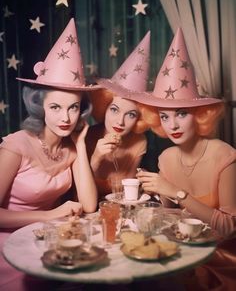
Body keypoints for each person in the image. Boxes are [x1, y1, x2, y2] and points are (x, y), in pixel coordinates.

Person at [0, 18, 99, 291]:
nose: (66, 118)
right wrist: (50, 215)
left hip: (48, 239)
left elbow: (90, 206)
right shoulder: (16, 145)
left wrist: (80, 146)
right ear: (39, 106)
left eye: (73, 108)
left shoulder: (71, 147)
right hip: (9, 246)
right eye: (55, 107)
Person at [136, 28, 236, 291]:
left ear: (200, 114)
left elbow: (229, 229)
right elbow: (170, 217)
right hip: (182, 252)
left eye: (181, 114)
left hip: (221, 259)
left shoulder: (225, 155)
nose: (172, 125)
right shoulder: (166, 157)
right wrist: (153, 196)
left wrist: (175, 192)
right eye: (165, 117)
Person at [86, 32, 153, 200]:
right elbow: (76, 193)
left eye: (130, 114)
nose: (120, 121)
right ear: (104, 107)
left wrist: (143, 183)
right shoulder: (86, 137)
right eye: (114, 110)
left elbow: (127, 193)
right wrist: (96, 158)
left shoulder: (139, 141)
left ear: (139, 118)